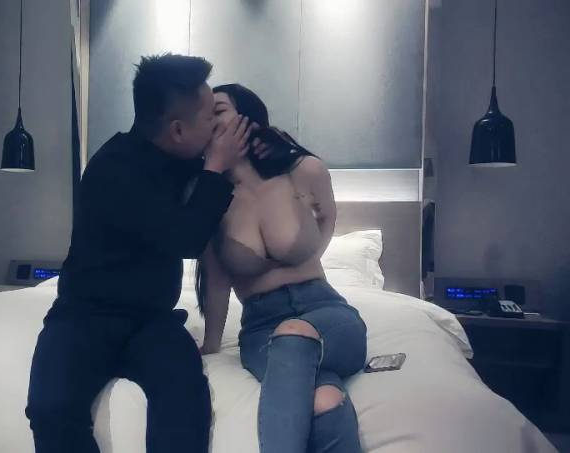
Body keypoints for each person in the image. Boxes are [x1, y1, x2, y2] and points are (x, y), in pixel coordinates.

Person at [24, 55, 256, 453]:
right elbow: (186, 238)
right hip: (85, 315)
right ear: (178, 130)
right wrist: (216, 167)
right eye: (208, 118)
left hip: (151, 320)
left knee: (186, 396)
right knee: (49, 409)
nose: (214, 128)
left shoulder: (182, 159)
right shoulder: (114, 169)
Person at [197, 84, 367, 453]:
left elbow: (326, 221)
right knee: (324, 399)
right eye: (204, 114)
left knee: (294, 333)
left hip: (328, 313)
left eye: (219, 110)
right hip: (261, 329)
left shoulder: (304, 171)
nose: (210, 120)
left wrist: (304, 259)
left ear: (248, 118)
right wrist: (211, 345)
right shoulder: (209, 198)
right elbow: (216, 280)